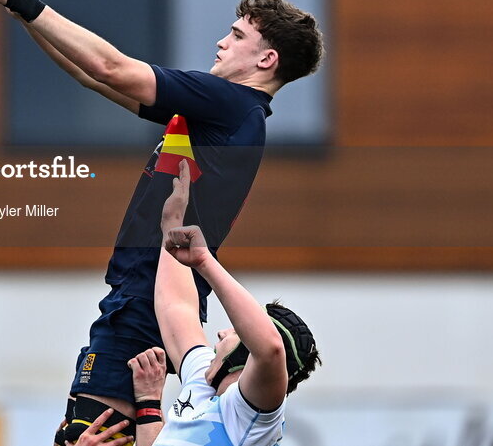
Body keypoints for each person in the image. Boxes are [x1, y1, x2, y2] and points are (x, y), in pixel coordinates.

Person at [0, 0, 324, 443]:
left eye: (237, 35)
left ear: (266, 59)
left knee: (82, 439)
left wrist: (27, 2)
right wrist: (20, 11)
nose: (221, 43)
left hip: (144, 299)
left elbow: (113, 66)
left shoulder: (228, 102)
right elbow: (91, 75)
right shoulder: (223, 114)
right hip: (148, 295)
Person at [76, 162, 320, 446]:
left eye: (236, 333)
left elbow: (270, 349)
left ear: (249, 355)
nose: (221, 333)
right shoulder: (205, 385)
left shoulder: (251, 415)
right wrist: (172, 229)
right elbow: (177, 308)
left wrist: (205, 262)